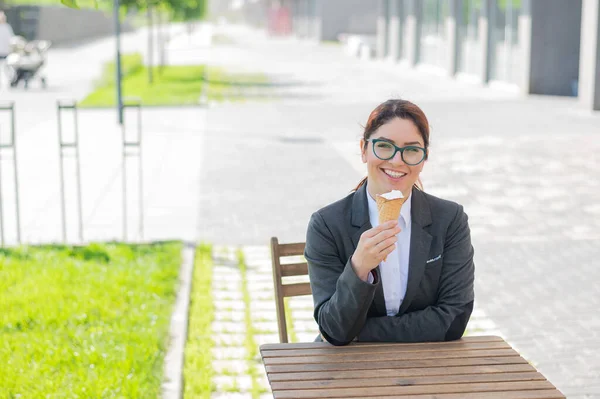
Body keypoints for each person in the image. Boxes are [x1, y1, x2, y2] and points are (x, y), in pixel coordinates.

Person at [305, 99, 475, 346]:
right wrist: (359, 268)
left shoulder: (449, 220)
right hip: (347, 368)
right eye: (384, 146)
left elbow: (454, 319)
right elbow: (333, 330)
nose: (397, 161)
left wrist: (361, 334)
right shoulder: (327, 225)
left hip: (425, 364)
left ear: (424, 157)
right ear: (364, 150)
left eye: (412, 150)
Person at [0, 11, 15, 87]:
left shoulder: (7, 27)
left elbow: (11, 39)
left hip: (6, 51)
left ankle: (8, 81)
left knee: (7, 67)